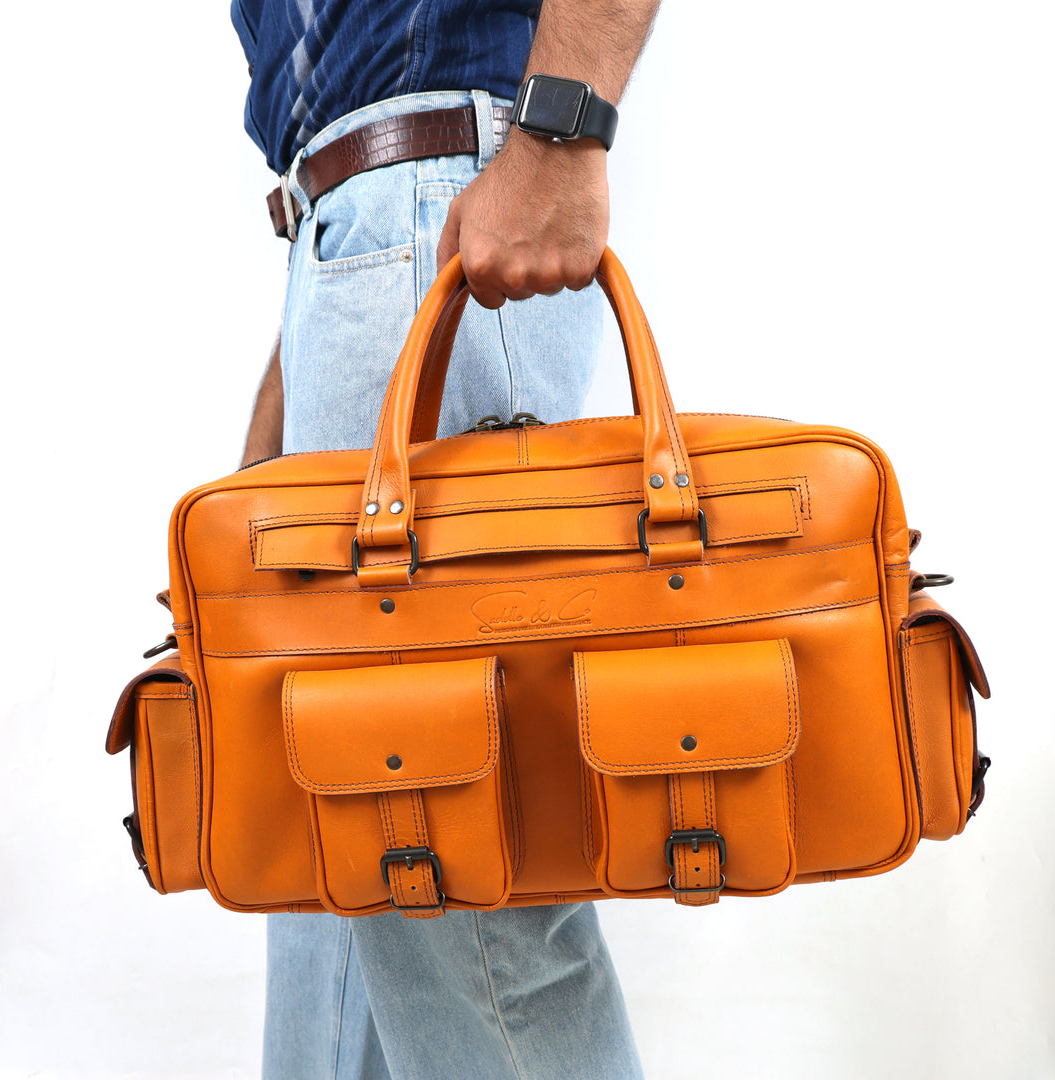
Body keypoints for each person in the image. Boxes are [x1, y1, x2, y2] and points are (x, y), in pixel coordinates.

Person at [232, 2, 660, 1076]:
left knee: (462, 885)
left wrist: (560, 129)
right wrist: (296, 362)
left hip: (440, 216)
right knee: (338, 851)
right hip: (356, 242)